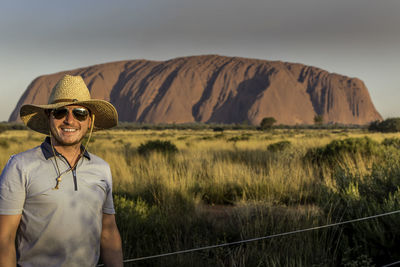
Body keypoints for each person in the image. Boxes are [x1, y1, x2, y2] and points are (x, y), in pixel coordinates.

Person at [0, 75, 123, 267]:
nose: (69, 120)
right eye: (59, 112)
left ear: (90, 121)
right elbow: (4, 239)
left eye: (80, 113)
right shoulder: (20, 166)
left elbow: (108, 233)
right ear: (49, 117)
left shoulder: (102, 169)